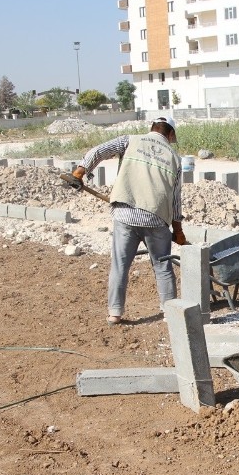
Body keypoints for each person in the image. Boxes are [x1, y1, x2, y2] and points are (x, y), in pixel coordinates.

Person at [61, 116, 188, 325]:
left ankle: (115, 313)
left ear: (152, 128)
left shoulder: (130, 140)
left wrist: (79, 172)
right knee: (162, 266)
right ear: (171, 134)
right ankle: (170, 313)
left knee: (120, 265)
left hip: (125, 214)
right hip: (156, 218)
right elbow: (175, 199)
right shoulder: (174, 158)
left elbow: (99, 151)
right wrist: (178, 230)